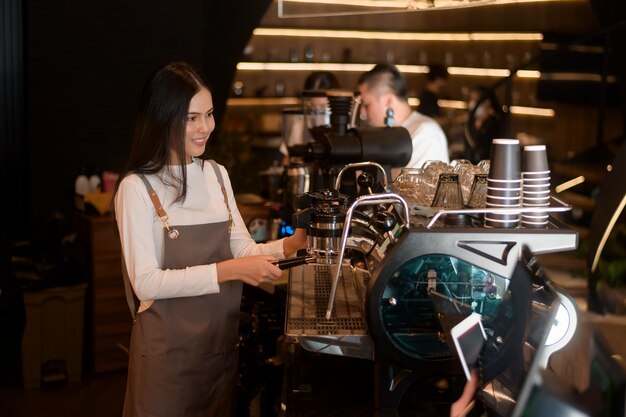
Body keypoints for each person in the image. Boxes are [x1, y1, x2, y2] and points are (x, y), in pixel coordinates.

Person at [114, 61, 307, 417]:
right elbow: (146, 283)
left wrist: (288, 246)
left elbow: (244, 250)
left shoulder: (217, 175)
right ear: (162, 118)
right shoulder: (136, 188)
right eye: (191, 118)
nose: (205, 128)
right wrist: (229, 271)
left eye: (209, 114)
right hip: (166, 365)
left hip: (219, 357)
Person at [357, 63, 449, 178]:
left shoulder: (425, 133)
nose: (362, 113)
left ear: (387, 100)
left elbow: (408, 193)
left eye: (366, 105)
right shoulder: (387, 135)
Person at [465, 86, 506, 163]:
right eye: (471, 99)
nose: (472, 103)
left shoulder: (494, 124)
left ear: (487, 102)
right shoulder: (471, 122)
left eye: (475, 100)